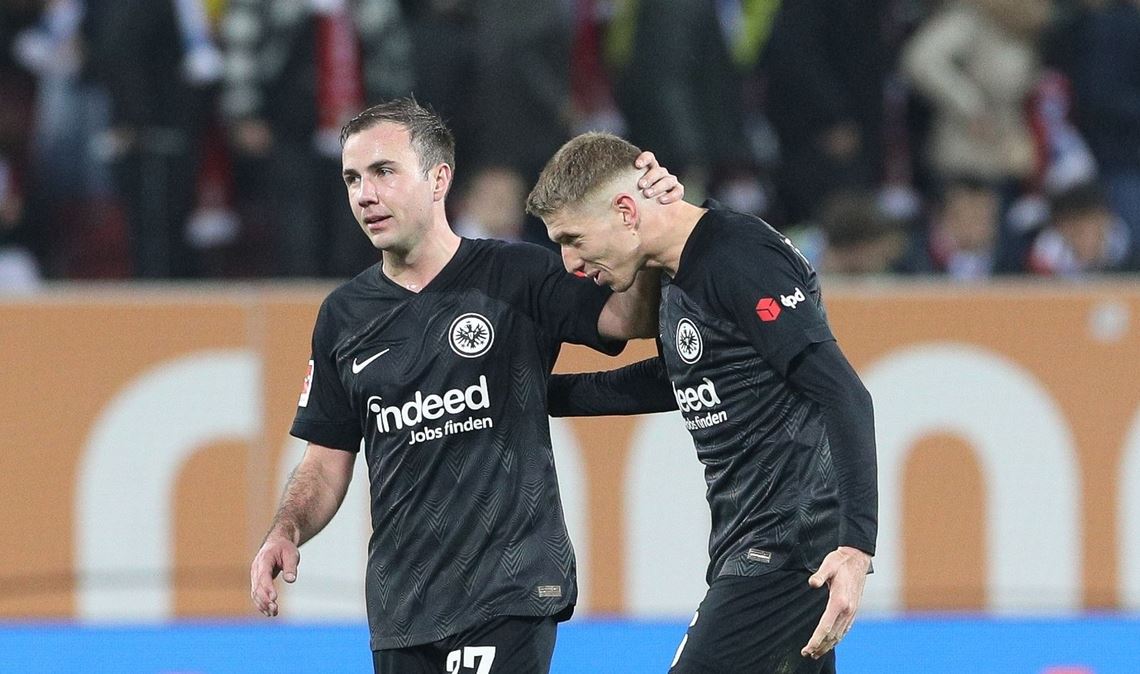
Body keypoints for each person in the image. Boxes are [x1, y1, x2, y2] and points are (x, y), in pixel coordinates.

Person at [248, 98, 682, 673]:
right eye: (352, 178)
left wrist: (649, 223)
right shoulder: (343, 316)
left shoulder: (517, 275)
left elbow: (626, 320)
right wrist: (287, 529)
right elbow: (327, 458)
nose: (364, 195)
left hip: (511, 589)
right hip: (402, 611)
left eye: (383, 172)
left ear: (438, 179)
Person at [529, 132, 877, 673]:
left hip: (786, 550)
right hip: (752, 544)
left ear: (626, 209)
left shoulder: (739, 256)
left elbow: (844, 393)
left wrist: (855, 548)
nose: (570, 262)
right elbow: (683, 376)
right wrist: (533, 396)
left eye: (573, 238)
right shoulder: (676, 271)